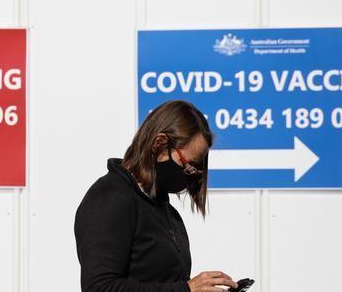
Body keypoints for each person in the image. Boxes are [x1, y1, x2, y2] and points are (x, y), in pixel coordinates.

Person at [74, 100, 239, 292]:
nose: (191, 174)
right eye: (187, 164)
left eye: (196, 168)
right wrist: (185, 290)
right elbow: (99, 288)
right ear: (159, 143)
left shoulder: (165, 210)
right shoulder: (111, 198)